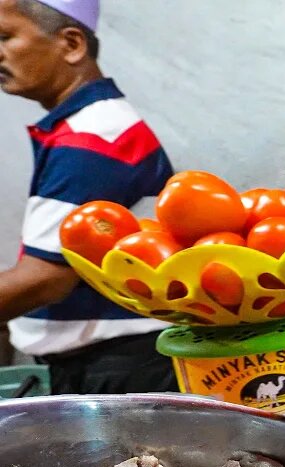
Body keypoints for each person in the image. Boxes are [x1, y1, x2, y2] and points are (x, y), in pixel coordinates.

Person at [0, 0, 177, 394]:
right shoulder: (82, 127)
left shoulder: (97, 136)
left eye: (6, 37)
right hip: (104, 366)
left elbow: (44, 280)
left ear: (72, 44)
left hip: (121, 370)